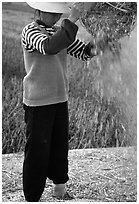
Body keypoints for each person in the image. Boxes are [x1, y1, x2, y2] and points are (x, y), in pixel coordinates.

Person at [21, 2, 99, 202]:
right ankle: (32, 196)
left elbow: (82, 53)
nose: (56, 17)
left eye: (58, 13)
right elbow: (50, 47)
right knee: (38, 149)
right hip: (37, 102)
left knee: (59, 146)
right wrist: (71, 20)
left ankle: (60, 189)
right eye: (52, 13)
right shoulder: (30, 31)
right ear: (38, 10)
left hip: (60, 98)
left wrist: (100, 43)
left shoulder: (59, 32)